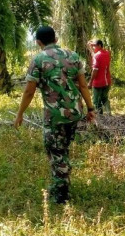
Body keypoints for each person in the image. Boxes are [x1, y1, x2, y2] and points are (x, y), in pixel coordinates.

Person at [15, 26, 95, 204]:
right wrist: (90, 109)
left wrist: (20, 113)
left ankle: (61, 194)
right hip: (75, 114)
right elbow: (83, 86)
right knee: (63, 149)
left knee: (56, 152)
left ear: (38, 42)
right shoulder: (73, 56)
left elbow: (29, 91)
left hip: (54, 117)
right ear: (56, 39)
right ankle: (63, 179)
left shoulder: (38, 59)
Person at [88, 39, 112, 115]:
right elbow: (95, 55)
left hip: (98, 83)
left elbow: (95, 70)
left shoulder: (96, 56)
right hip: (107, 82)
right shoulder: (107, 53)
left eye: (94, 46)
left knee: (96, 101)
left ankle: (99, 117)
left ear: (99, 46)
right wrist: (90, 48)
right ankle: (109, 114)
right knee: (105, 99)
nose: (93, 47)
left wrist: (90, 82)